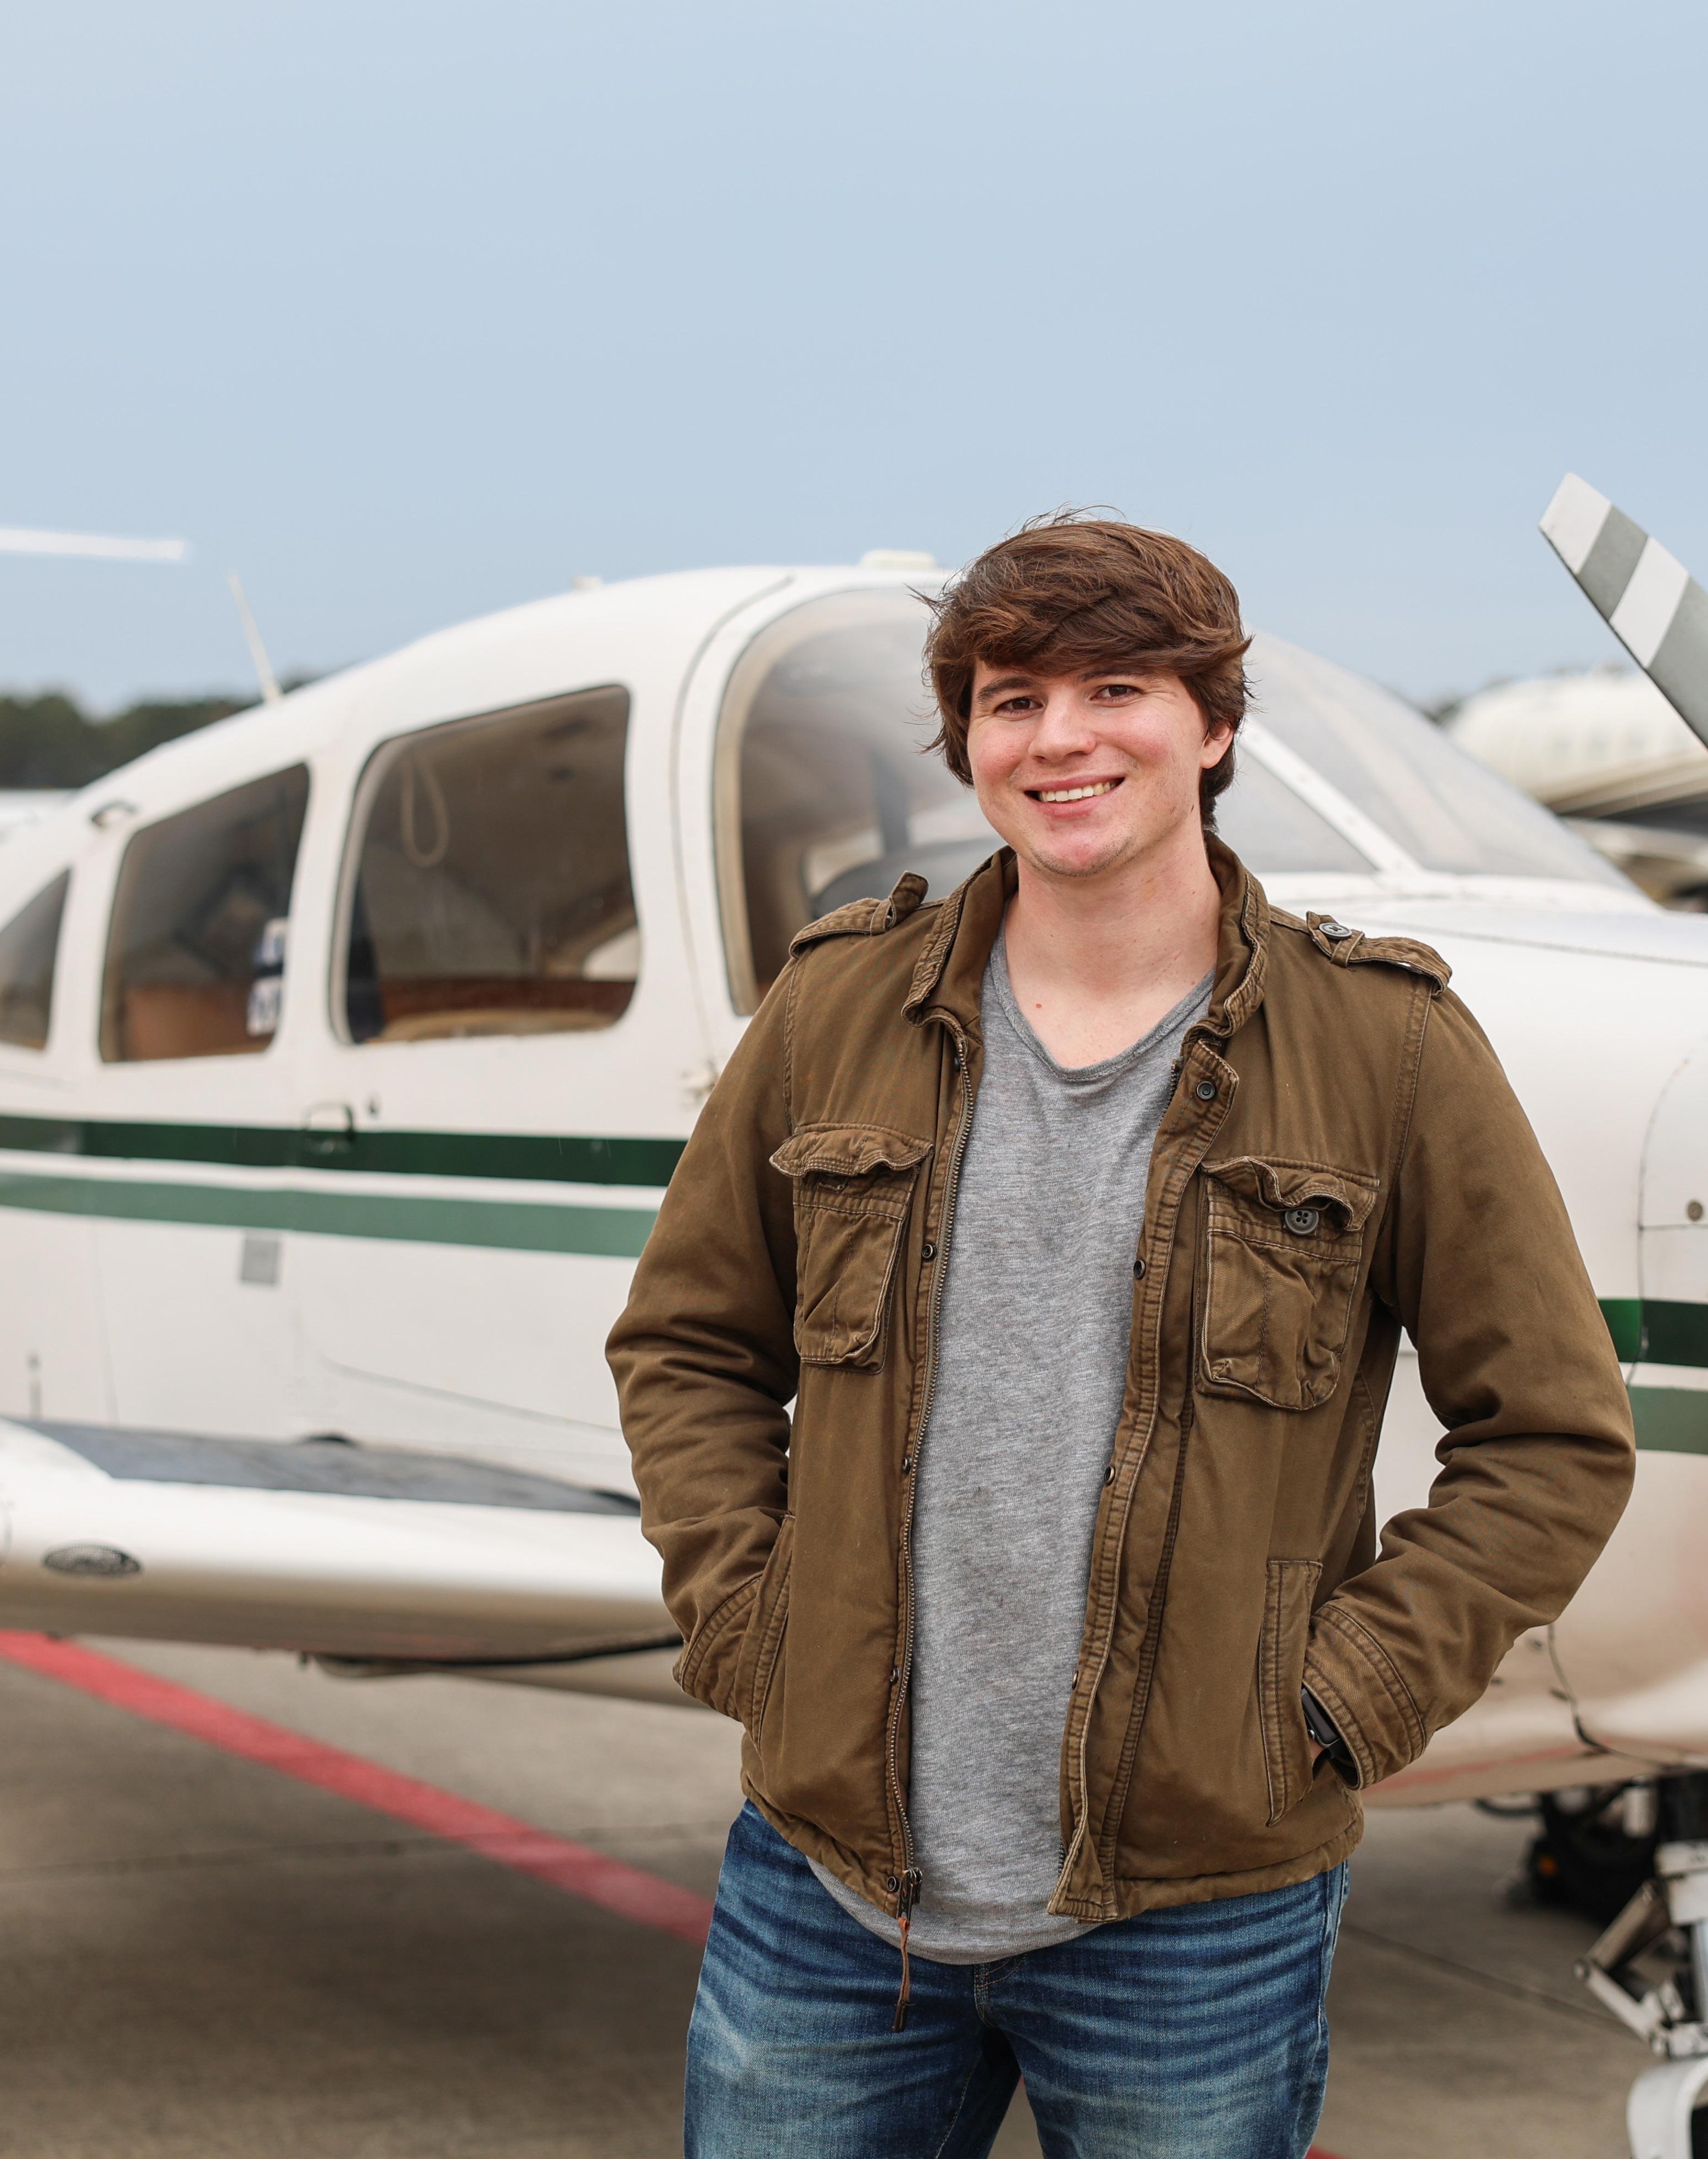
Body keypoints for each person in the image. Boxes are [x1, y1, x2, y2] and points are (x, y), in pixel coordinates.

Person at [606, 514, 1634, 2159]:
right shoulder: (832, 1010)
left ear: (1213, 726)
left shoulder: (1391, 1049)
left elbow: (1555, 1438)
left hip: (1197, 1923)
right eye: (1011, 701)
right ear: (968, 743)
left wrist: (1336, 1703)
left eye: (1116, 690)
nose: (1059, 738)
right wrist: (749, 1626)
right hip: (828, 1893)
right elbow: (687, 1345)